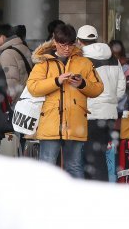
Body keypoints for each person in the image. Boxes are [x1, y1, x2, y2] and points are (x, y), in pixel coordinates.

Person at [27, 24, 104, 179]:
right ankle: (45, 201)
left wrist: (82, 84)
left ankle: (76, 202)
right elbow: (33, 87)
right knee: (47, 167)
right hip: (50, 122)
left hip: (75, 123)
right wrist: (56, 81)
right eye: (63, 45)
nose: (67, 49)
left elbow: (98, 88)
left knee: (74, 166)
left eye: (70, 44)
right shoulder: (44, 62)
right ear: (55, 42)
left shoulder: (84, 63)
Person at [79, 25, 126, 181]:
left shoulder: (81, 60)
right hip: (110, 114)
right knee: (102, 156)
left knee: (92, 158)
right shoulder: (113, 58)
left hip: (91, 115)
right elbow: (121, 88)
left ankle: (99, 195)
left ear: (79, 41)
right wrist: (111, 100)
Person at [0, 23, 34, 102]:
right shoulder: (23, 47)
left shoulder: (6, 54)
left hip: (18, 101)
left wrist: (10, 103)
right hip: (27, 95)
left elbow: (11, 81)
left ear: (2, 37)